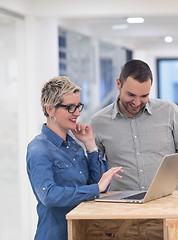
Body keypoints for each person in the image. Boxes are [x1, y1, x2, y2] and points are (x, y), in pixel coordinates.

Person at [26, 76, 123, 240]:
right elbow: (49, 195)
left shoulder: (75, 146)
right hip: (55, 235)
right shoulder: (38, 149)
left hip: (83, 231)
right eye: (70, 107)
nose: (77, 113)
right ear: (50, 110)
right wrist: (95, 189)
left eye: (78, 106)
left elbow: (100, 186)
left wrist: (90, 145)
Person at [90, 59, 178, 191]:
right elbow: (94, 167)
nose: (137, 102)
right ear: (118, 84)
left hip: (167, 201)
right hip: (123, 204)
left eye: (144, 96)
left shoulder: (169, 111)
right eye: (131, 95)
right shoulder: (99, 122)